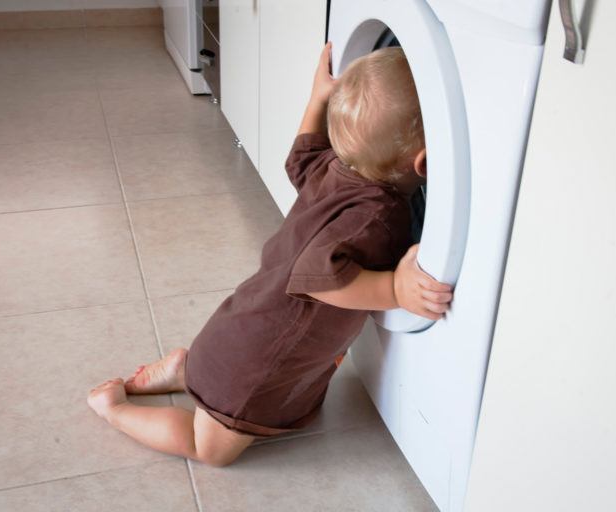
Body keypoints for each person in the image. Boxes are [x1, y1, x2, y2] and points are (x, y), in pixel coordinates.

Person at [87, 43, 453, 468]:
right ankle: (115, 409)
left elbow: (301, 154)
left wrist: (318, 97)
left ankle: (187, 370)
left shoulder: (332, 167)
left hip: (240, 327)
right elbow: (320, 274)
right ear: (424, 165)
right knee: (208, 447)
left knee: (220, 381)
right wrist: (394, 287)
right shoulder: (377, 215)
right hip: (257, 363)